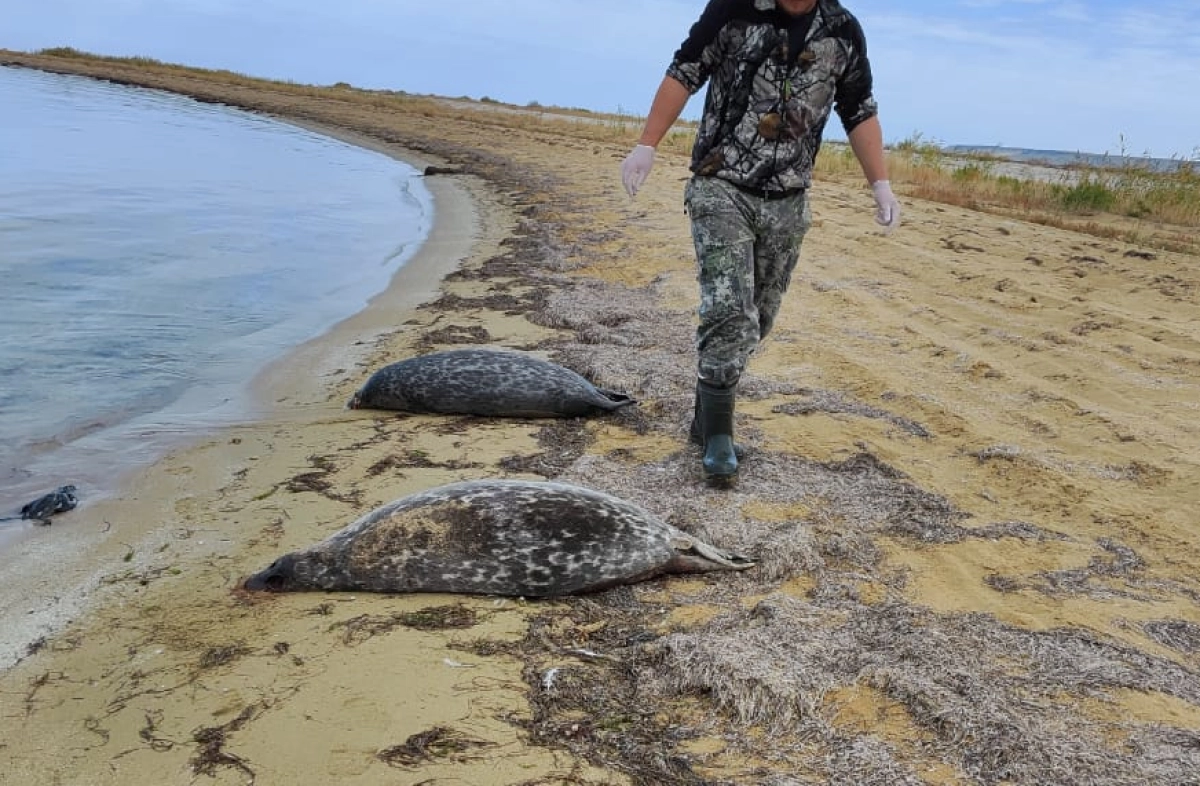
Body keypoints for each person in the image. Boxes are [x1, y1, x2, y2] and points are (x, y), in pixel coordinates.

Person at [620, 0, 899, 482]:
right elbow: (684, 71)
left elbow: (859, 108)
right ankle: (720, 442)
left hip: (789, 198)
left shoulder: (842, 29)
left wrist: (880, 183)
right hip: (721, 184)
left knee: (758, 318)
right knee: (728, 311)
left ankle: (705, 416)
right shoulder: (733, 9)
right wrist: (647, 144)